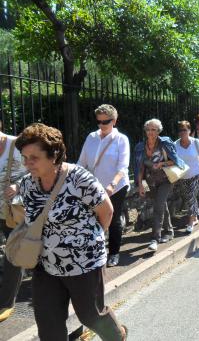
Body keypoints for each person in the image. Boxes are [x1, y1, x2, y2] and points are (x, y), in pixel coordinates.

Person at [16, 123, 127, 340]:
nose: (27, 163)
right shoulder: (28, 184)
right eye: (24, 157)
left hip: (83, 262)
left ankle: (117, 335)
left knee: (91, 315)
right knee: (48, 325)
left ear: (54, 155)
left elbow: (107, 211)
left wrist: (90, 240)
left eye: (34, 158)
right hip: (45, 264)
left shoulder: (79, 178)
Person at [77, 104, 130, 268]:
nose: (101, 125)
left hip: (116, 187)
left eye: (105, 122)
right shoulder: (91, 137)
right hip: (94, 187)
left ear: (114, 121)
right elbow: (81, 163)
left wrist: (112, 184)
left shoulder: (121, 139)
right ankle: (94, 253)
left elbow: (123, 167)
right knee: (91, 219)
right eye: (99, 121)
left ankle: (113, 253)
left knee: (113, 218)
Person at [134, 119, 184, 252]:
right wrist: (141, 185)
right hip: (149, 182)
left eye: (153, 130)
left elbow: (175, 161)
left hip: (165, 180)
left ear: (158, 131)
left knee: (158, 206)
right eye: (148, 129)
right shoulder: (140, 147)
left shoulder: (165, 143)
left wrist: (161, 164)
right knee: (161, 205)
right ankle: (169, 231)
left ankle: (155, 238)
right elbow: (140, 168)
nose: (150, 132)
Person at [0, 121, 27, 323]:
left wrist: (18, 185)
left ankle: (6, 302)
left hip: (13, 210)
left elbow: (36, 169)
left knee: (14, 254)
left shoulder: (17, 144)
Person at [174, 121, 199, 233]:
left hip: (196, 174)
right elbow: (173, 161)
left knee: (191, 197)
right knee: (189, 199)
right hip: (182, 177)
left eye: (184, 130)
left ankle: (190, 222)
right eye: (180, 130)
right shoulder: (175, 144)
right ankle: (195, 217)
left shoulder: (196, 142)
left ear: (189, 130)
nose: (182, 132)